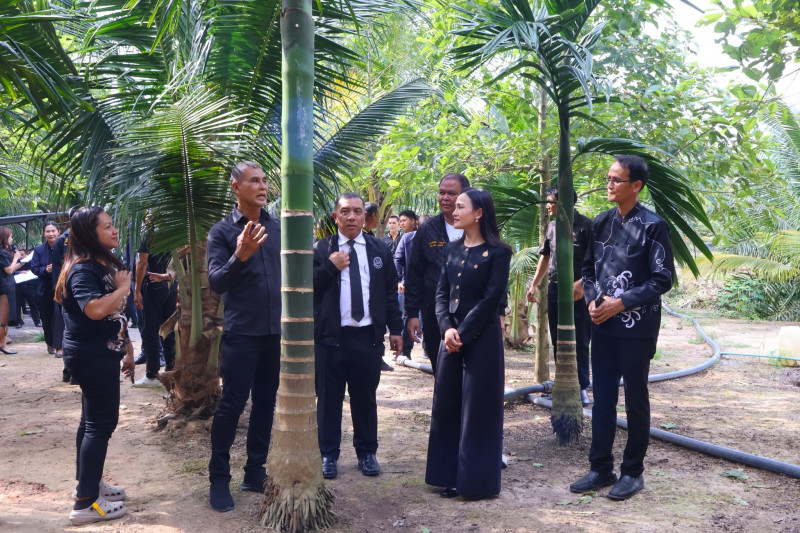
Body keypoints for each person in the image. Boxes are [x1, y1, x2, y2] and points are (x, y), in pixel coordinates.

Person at [570, 155, 675, 501]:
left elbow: (663, 278)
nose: (609, 185)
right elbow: (588, 270)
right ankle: (601, 467)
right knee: (602, 398)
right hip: (602, 326)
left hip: (636, 329)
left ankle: (632, 472)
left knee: (635, 399)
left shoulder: (654, 226)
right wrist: (591, 300)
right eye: (608, 178)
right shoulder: (601, 222)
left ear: (636, 186)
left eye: (617, 179)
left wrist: (622, 302)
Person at [425, 188, 512, 500]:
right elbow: (440, 295)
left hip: (481, 339)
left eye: (461, 206)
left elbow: (491, 300)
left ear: (479, 213)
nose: (454, 211)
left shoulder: (499, 253)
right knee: (446, 405)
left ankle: (476, 483)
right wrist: (447, 329)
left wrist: (462, 333)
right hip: (450, 338)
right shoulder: (451, 249)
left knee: (478, 409)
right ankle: (447, 476)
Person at [206, 161, 281, 512]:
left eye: (264, 181)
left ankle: (254, 471)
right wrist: (240, 255)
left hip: (275, 333)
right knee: (232, 406)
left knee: (266, 404)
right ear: (236, 187)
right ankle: (219, 480)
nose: (262, 187)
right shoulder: (221, 232)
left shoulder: (277, 228)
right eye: (254, 181)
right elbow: (217, 282)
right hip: (242, 334)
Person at [313, 193, 403, 480]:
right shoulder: (321, 249)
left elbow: (389, 293)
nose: (351, 217)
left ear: (365, 216)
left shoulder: (379, 250)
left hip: (366, 337)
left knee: (365, 397)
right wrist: (330, 266)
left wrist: (396, 329)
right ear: (335, 217)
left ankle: (367, 453)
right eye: (345, 211)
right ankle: (328, 455)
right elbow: (306, 289)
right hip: (330, 338)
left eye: (357, 211)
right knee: (328, 399)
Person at [55, 206, 133, 525]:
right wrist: (124, 288)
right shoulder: (83, 270)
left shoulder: (97, 264)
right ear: (90, 234)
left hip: (99, 353)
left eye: (113, 225)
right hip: (91, 355)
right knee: (100, 425)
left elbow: (113, 316)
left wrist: (127, 349)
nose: (114, 231)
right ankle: (86, 503)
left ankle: (89, 484)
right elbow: (94, 310)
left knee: (91, 423)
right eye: (107, 227)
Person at [526, 186, 594, 406]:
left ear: (563, 202)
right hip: (556, 290)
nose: (547, 206)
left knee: (580, 339)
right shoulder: (552, 227)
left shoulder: (587, 226)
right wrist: (534, 284)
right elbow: (545, 257)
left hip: (579, 293)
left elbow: (598, 261)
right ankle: (563, 382)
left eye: (551, 202)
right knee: (558, 339)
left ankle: (581, 386)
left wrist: (582, 283)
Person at [405, 174, 470, 374]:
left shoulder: (477, 227)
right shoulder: (427, 229)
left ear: (465, 195)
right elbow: (414, 272)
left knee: (470, 372)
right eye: (442, 193)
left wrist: (500, 312)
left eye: (452, 193)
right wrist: (412, 314)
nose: (445, 198)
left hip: (471, 313)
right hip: (434, 313)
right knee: (441, 370)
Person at [132, 229, 177, 388]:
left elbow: (142, 262)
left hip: (153, 284)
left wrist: (137, 290)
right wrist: (167, 277)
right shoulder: (176, 230)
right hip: (171, 285)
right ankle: (171, 371)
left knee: (150, 331)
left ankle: (152, 374)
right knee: (168, 329)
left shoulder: (151, 233)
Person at [31, 222, 61, 354]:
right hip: (44, 289)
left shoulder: (65, 247)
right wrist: (45, 269)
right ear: (44, 234)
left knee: (59, 316)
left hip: (60, 288)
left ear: (59, 232)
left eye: (53, 231)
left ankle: (59, 345)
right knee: (46, 317)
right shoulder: (39, 250)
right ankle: (50, 343)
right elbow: (34, 268)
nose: (51, 234)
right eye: (48, 231)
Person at [394, 209, 419, 359]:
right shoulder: (406, 238)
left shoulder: (433, 239)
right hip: (408, 284)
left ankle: (427, 350)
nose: (402, 224)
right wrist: (399, 281)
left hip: (428, 285)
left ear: (414, 221)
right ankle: (405, 351)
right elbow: (398, 259)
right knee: (407, 316)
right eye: (400, 221)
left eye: (404, 220)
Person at [0, 227, 24, 354]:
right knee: (4, 317)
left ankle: (3, 343)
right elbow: (8, 270)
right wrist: (15, 258)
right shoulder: (2, 253)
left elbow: (10, 269)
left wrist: (20, 263)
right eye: (10, 236)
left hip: (6, 285)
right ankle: (3, 345)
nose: (11, 239)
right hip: (4, 287)